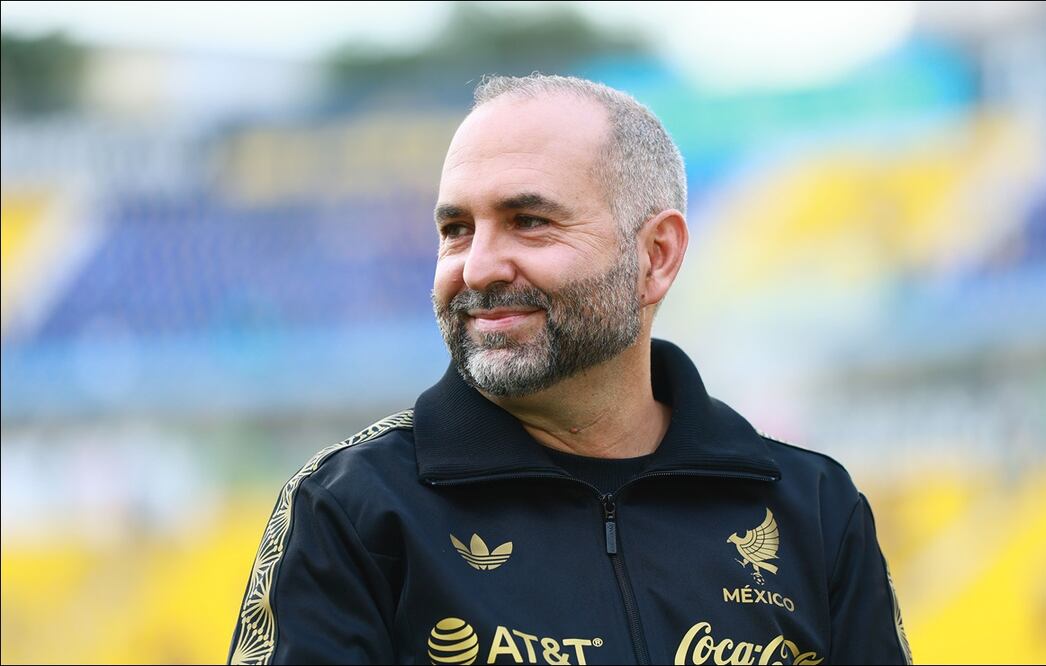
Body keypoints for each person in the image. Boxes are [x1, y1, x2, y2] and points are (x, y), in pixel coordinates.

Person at [228, 74, 912, 665]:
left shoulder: (813, 508)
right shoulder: (351, 510)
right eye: (456, 229)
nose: (477, 267)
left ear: (657, 255)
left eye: (527, 221)